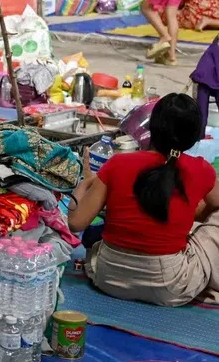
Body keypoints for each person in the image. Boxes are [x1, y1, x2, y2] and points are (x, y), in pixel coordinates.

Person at [68, 93, 219, 307]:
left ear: (151, 128)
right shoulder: (200, 169)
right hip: (169, 286)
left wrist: (85, 184)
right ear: (195, 136)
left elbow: (75, 223)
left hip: (108, 277)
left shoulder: (117, 163)